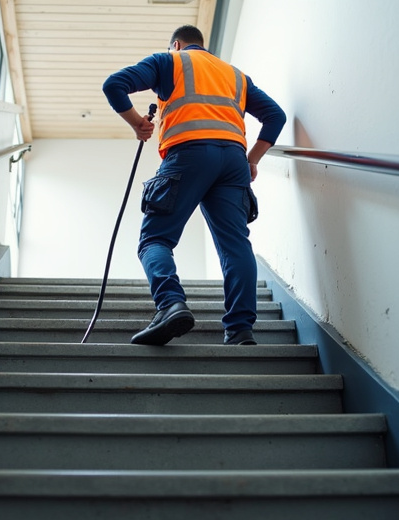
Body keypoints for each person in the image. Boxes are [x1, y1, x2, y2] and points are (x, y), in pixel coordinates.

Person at [102, 24, 286, 346]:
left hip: (187, 154)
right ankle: (240, 329)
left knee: (154, 240)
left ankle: (171, 304)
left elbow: (114, 85)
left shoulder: (168, 61)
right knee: (235, 245)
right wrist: (252, 159)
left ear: (176, 44)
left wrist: (138, 124)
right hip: (233, 161)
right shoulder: (235, 76)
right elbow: (275, 116)